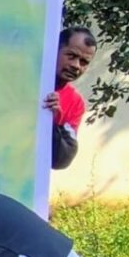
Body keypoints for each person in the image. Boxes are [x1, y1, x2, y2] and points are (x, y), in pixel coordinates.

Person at [43, 26, 96, 170]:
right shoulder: (24, 78)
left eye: (84, 62)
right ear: (54, 51)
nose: (76, 66)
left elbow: (61, 161)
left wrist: (52, 123)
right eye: (71, 56)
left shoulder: (75, 103)